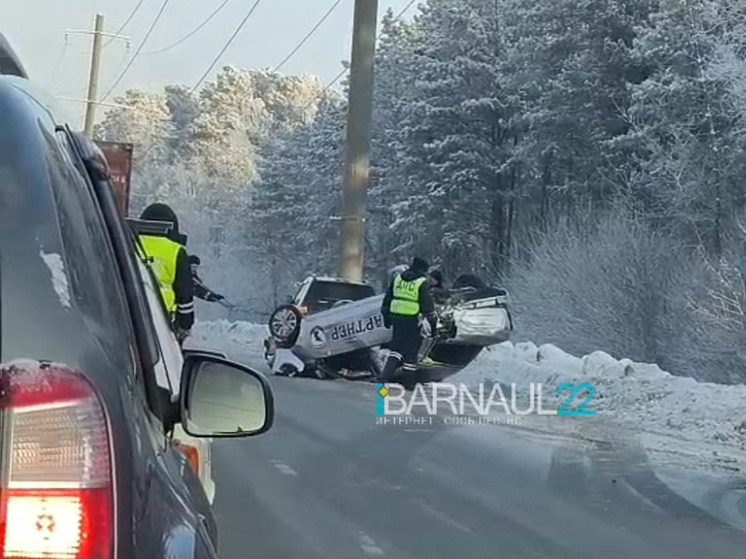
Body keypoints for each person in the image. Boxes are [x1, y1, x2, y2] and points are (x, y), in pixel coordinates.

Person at [138, 203, 194, 341]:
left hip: (132, 317)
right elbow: (185, 294)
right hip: (162, 323)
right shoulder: (176, 251)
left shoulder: (129, 243)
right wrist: (185, 326)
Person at [378, 257, 437, 382]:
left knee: (396, 348)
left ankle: (384, 376)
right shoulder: (421, 282)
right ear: (422, 270)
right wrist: (433, 324)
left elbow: (387, 300)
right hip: (410, 319)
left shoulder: (398, 279)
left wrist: (386, 318)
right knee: (411, 351)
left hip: (396, 318)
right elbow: (427, 305)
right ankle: (409, 382)